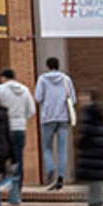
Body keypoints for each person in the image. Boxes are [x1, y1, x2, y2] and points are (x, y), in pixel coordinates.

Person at [0, 67, 37, 205]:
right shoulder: (25, 90)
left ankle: (4, 186)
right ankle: (17, 193)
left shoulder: (0, 90)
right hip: (20, 128)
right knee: (18, 160)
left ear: (3, 77)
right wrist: (22, 119)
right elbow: (31, 110)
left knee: (3, 158)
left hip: (6, 128)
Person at [35, 57, 77, 190]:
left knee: (47, 147)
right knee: (62, 149)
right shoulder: (66, 79)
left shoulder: (42, 79)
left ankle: (50, 168)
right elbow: (73, 99)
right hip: (63, 117)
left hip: (47, 117)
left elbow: (38, 97)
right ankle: (60, 178)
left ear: (47, 66)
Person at [77, 88, 103, 206]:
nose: (80, 101)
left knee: (95, 183)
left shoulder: (89, 114)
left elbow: (86, 133)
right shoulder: (98, 115)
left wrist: (80, 144)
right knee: (95, 182)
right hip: (97, 153)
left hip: (92, 154)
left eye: (82, 98)